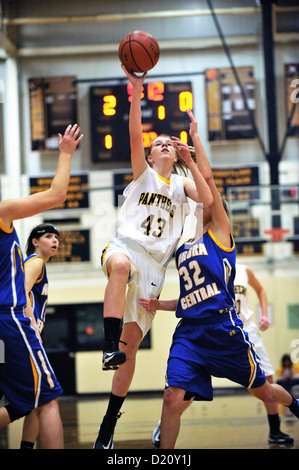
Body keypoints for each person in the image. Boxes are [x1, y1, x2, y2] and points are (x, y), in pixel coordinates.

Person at [140, 109, 299, 449]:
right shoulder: (186, 246)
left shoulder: (221, 235)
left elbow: (208, 184)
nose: (197, 206)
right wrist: (159, 304)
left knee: (266, 390)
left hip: (224, 329)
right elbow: (187, 299)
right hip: (191, 333)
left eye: (202, 205)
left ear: (214, 210)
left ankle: (296, 405)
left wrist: (194, 144)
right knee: (172, 396)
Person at [93, 66, 213, 449]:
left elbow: (208, 199)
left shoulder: (181, 183)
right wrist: (136, 88)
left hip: (156, 268)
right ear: (148, 152)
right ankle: (108, 343)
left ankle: (108, 424)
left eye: (168, 142)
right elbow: (133, 132)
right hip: (126, 248)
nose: (163, 143)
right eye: (157, 141)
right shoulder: (142, 173)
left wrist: (191, 151)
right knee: (121, 266)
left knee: (131, 352)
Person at [147, 262, 294, 446]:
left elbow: (261, 290)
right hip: (217, 332)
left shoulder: (244, 270)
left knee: (267, 383)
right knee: (189, 388)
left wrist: (264, 314)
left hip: (246, 330)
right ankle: (166, 422)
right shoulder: (208, 266)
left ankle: (275, 431)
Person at [0, 124, 83, 449]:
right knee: (47, 397)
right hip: (9, 320)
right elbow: (56, 195)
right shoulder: (4, 213)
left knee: (23, 401)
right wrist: (64, 154)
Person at [20, 223, 60, 449]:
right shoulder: (35, 262)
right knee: (43, 397)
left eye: (56, 237)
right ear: (35, 242)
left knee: (37, 401)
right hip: (25, 336)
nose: (54, 240)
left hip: (22, 335)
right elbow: (22, 293)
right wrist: (33, 326)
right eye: (48, 236)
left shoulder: (37, 264)